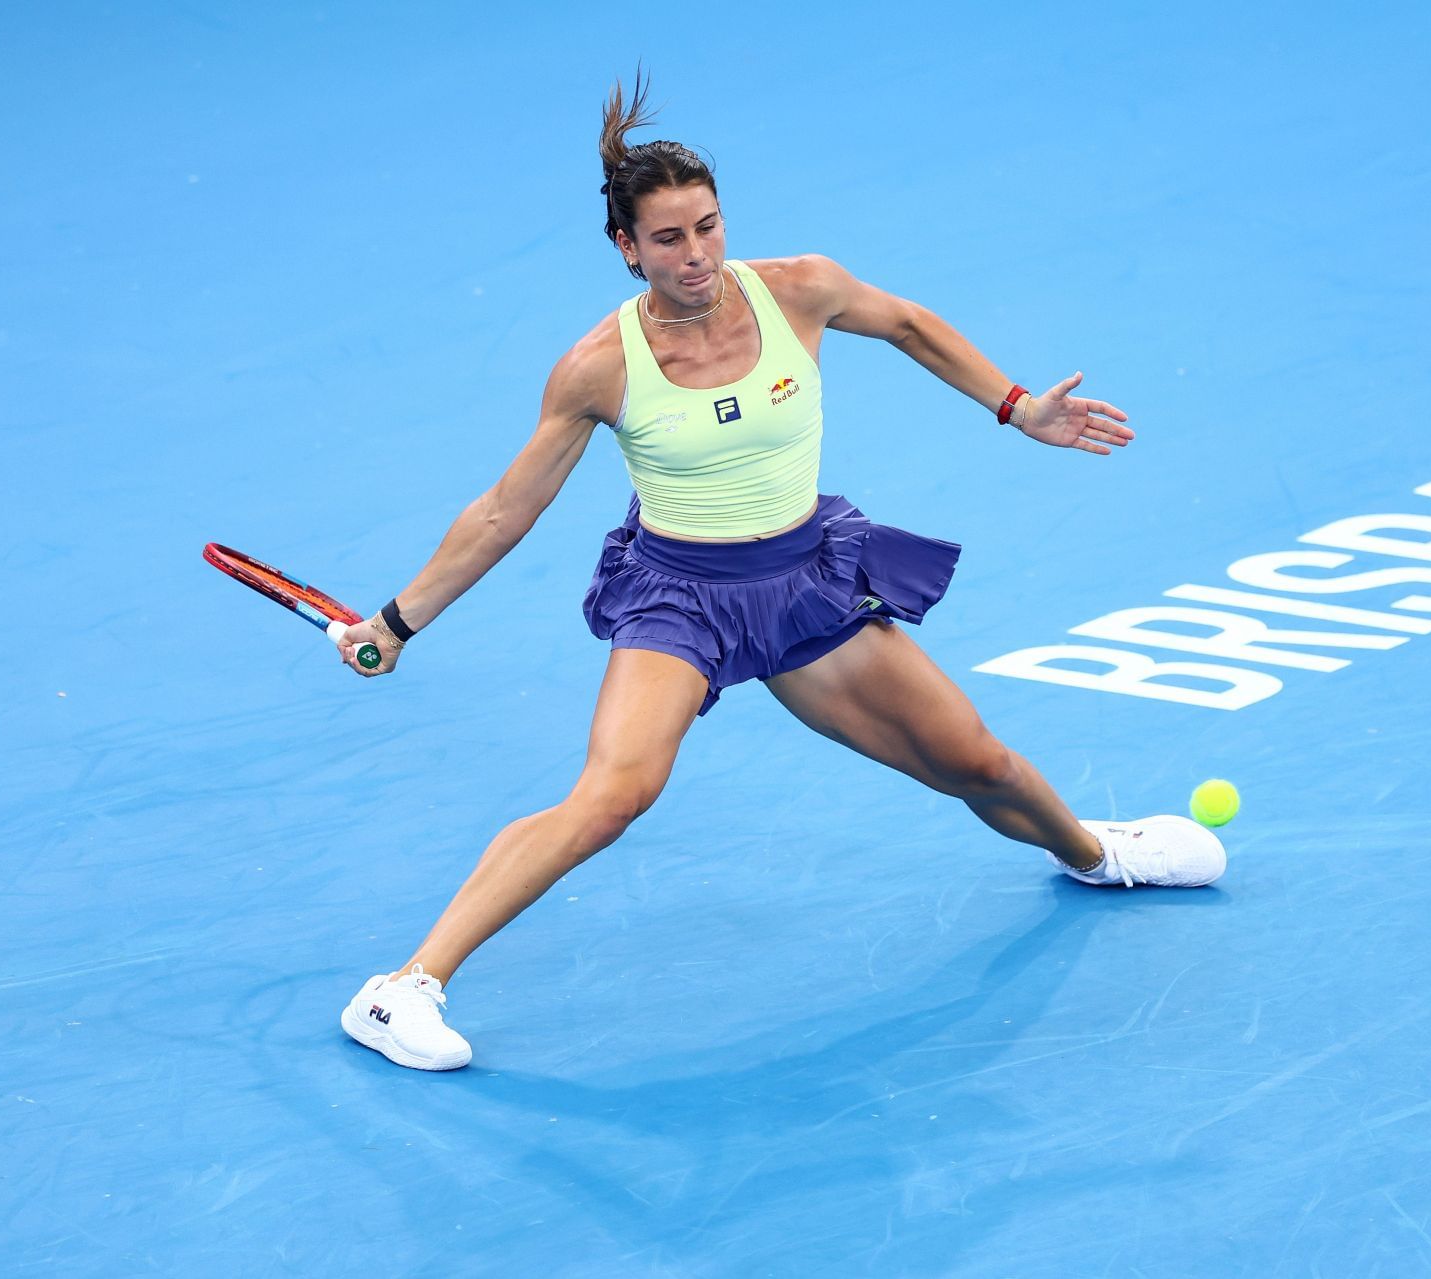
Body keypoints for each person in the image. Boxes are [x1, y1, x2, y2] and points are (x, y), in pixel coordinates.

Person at [338, 74, 1226, 1072]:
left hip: (805, 583)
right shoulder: (598, 366)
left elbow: (907, 323)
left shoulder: (798, 286)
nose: (697, 255)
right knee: (615, 794)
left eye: (708, 228)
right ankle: (402, 988)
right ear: (626, 248)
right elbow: (506, 509)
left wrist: (1015, 403)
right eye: (668, 239)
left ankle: (1099, 856)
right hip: (679, 598)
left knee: (973, 758)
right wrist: (395, 622)